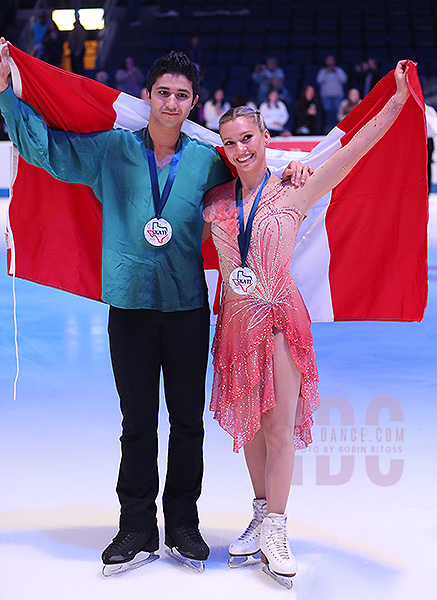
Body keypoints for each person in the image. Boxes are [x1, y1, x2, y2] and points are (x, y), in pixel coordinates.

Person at [0, 42, 310, 575]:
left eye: (182, 95)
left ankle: (183, 524)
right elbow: (45, 149)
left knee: (188, 423)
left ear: (193, 104)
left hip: (188, 311)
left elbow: (253, 176)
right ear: (148, 97)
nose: (171, 102)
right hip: (131, 308)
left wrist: (295, 172)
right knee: (137, 421)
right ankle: (137, 527)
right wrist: (7, 94)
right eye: (163, 92)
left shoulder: (208, 160)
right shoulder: (111, 151)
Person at [202, 60, 410, 588]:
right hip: (233, 326)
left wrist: (397, 101)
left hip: (278, 322)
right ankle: (259, 510)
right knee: (247, 427)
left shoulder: (298, 189)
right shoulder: (213, 202)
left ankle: (277, 525)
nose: (240, 149)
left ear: (265, 135)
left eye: (248, 137)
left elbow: (355, 152)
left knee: (278, 430)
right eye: (230, 143)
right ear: (222, 148)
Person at [316, 54, 348, 133]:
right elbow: (319, 80)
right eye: (328, 60)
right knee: (328, 113)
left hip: (337, 96)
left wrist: (336, 72)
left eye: (331, 60)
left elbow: (344, 79)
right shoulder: (323, 71)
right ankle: (328, 130)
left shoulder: (339, 70)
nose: (330, 62)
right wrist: (326, 72)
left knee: (337, 113)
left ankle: (337, 131)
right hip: (326, 96)